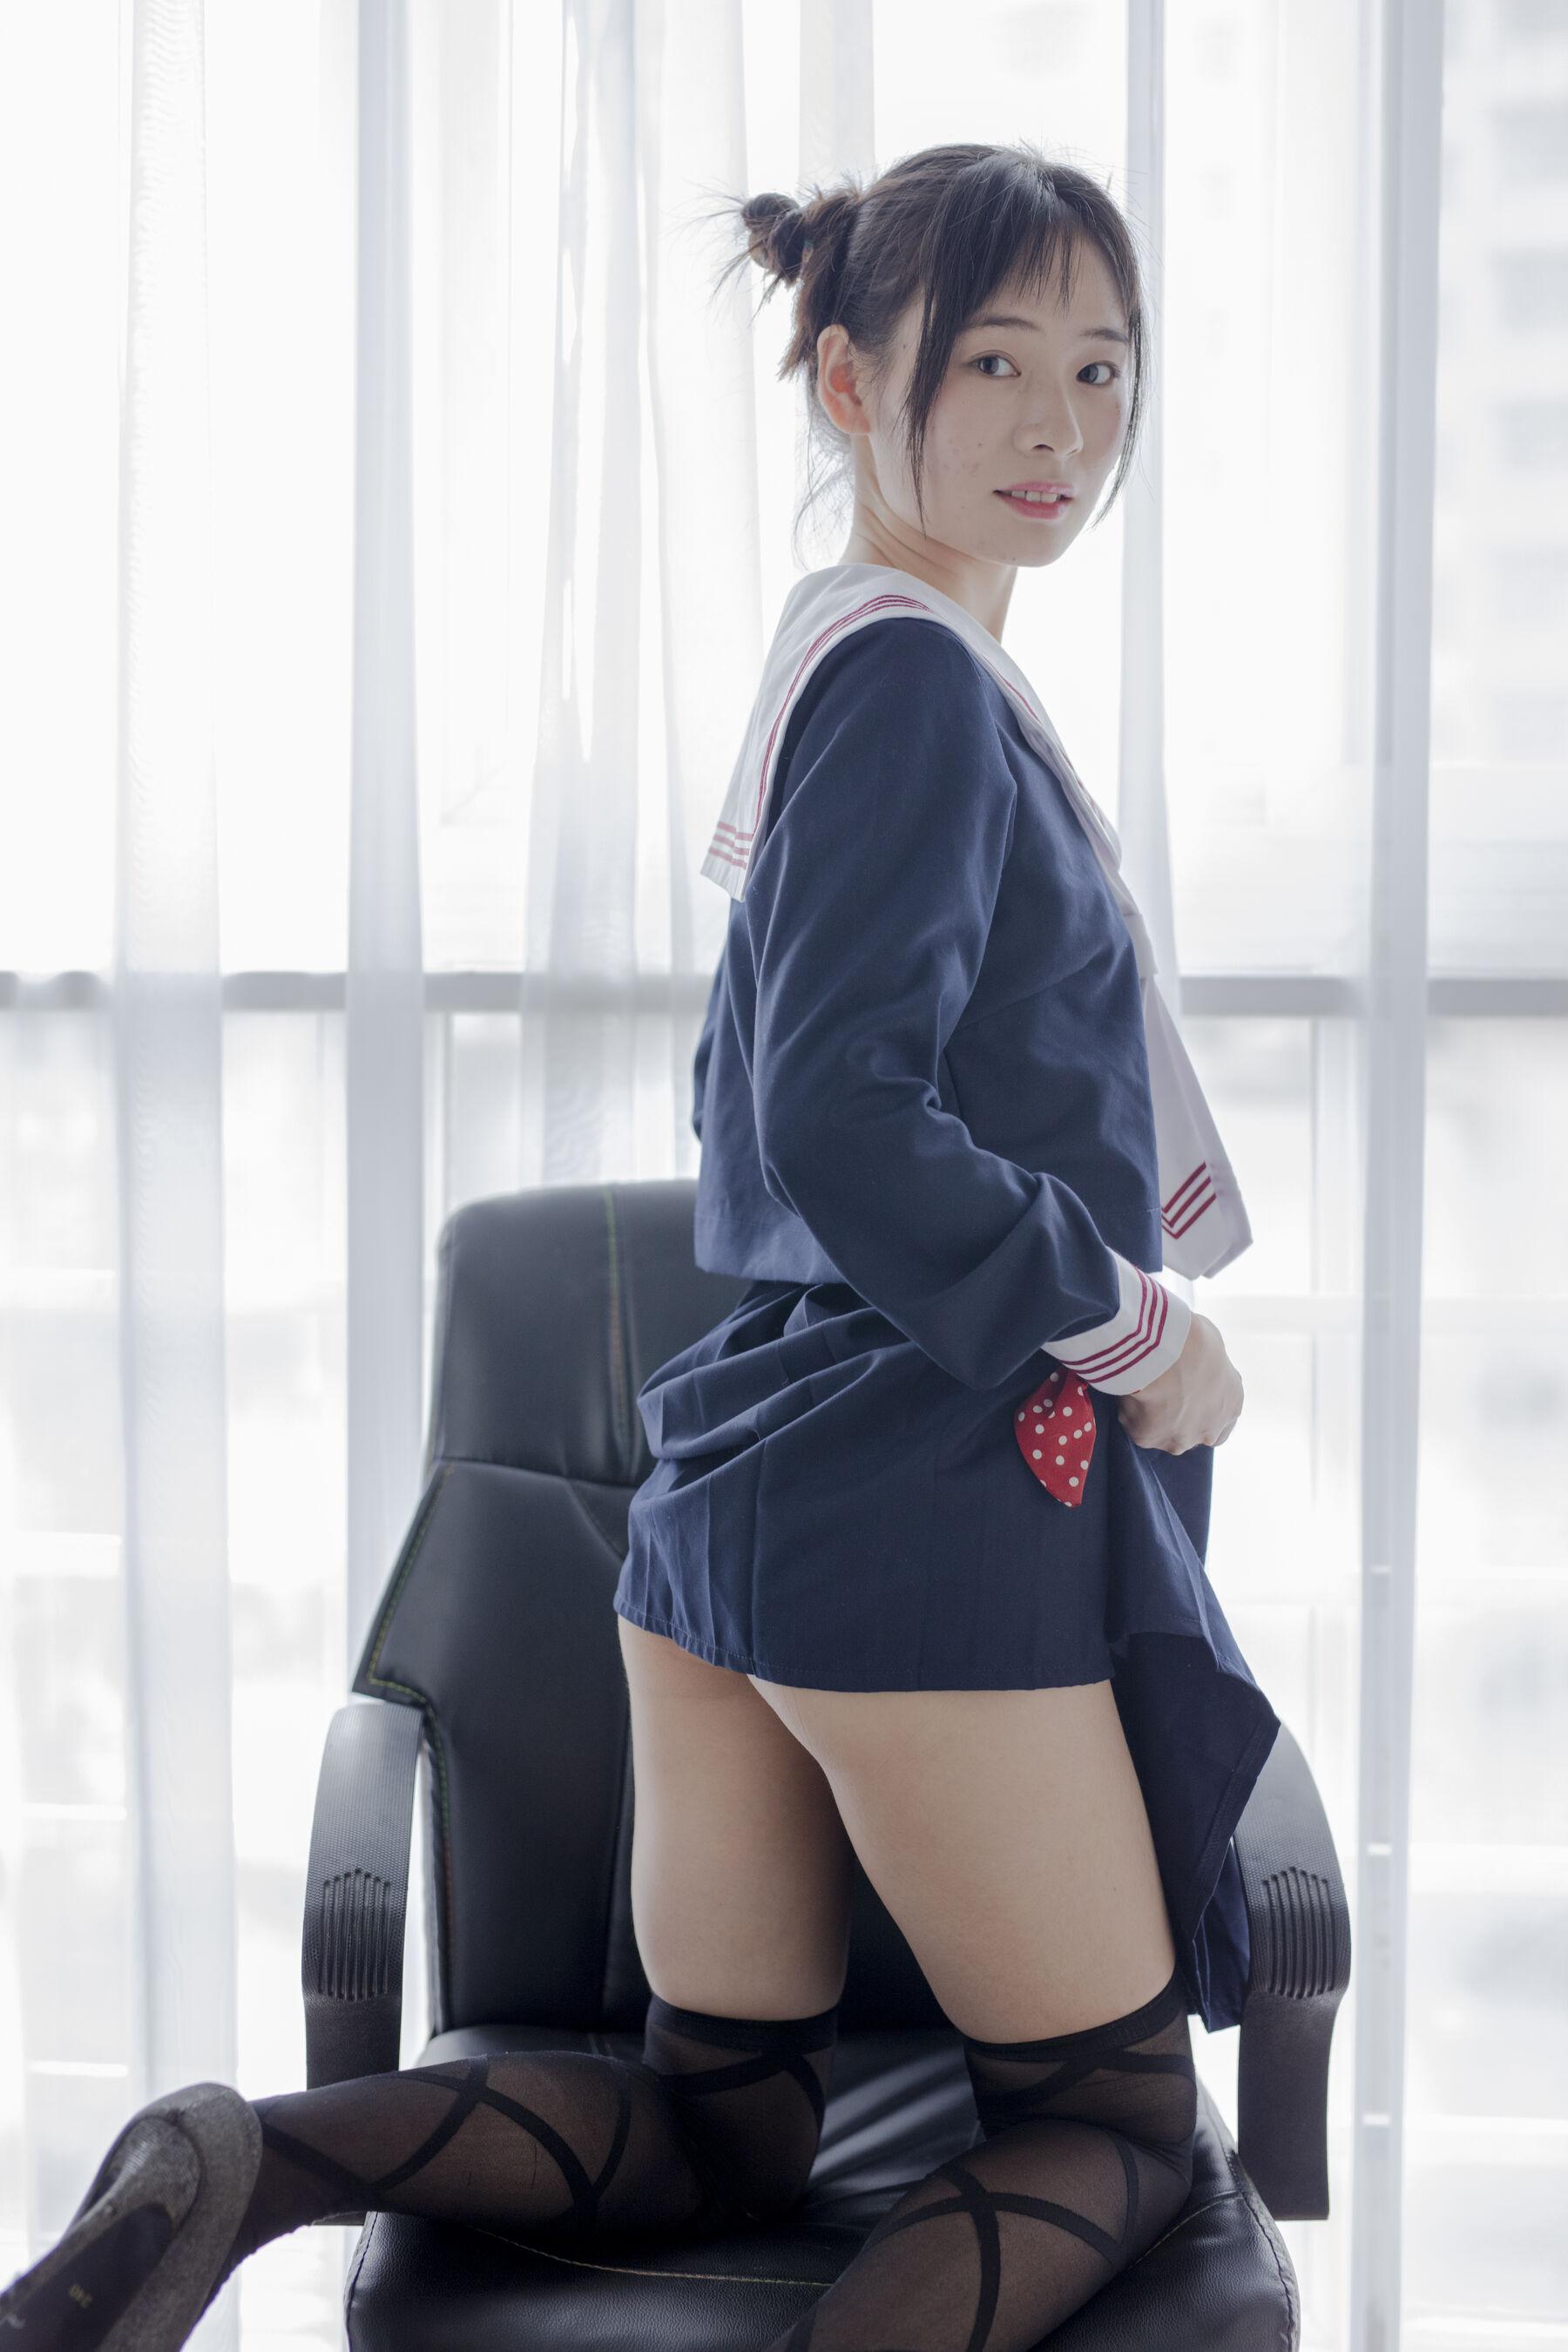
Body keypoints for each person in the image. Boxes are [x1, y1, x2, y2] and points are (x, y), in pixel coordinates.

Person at [0, 140, 1277, 2352]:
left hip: (737, 1500)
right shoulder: (918, 690)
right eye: (995, 363)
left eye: (1102, 368)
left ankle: (250, 2163)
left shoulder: (838, 657)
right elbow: (840, 1117)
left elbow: (761, 1100)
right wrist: (1134, 1322)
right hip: (913, 1495)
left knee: (718, 2132)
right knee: (1113, 2121)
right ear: (847, 378)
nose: (1062, 426)